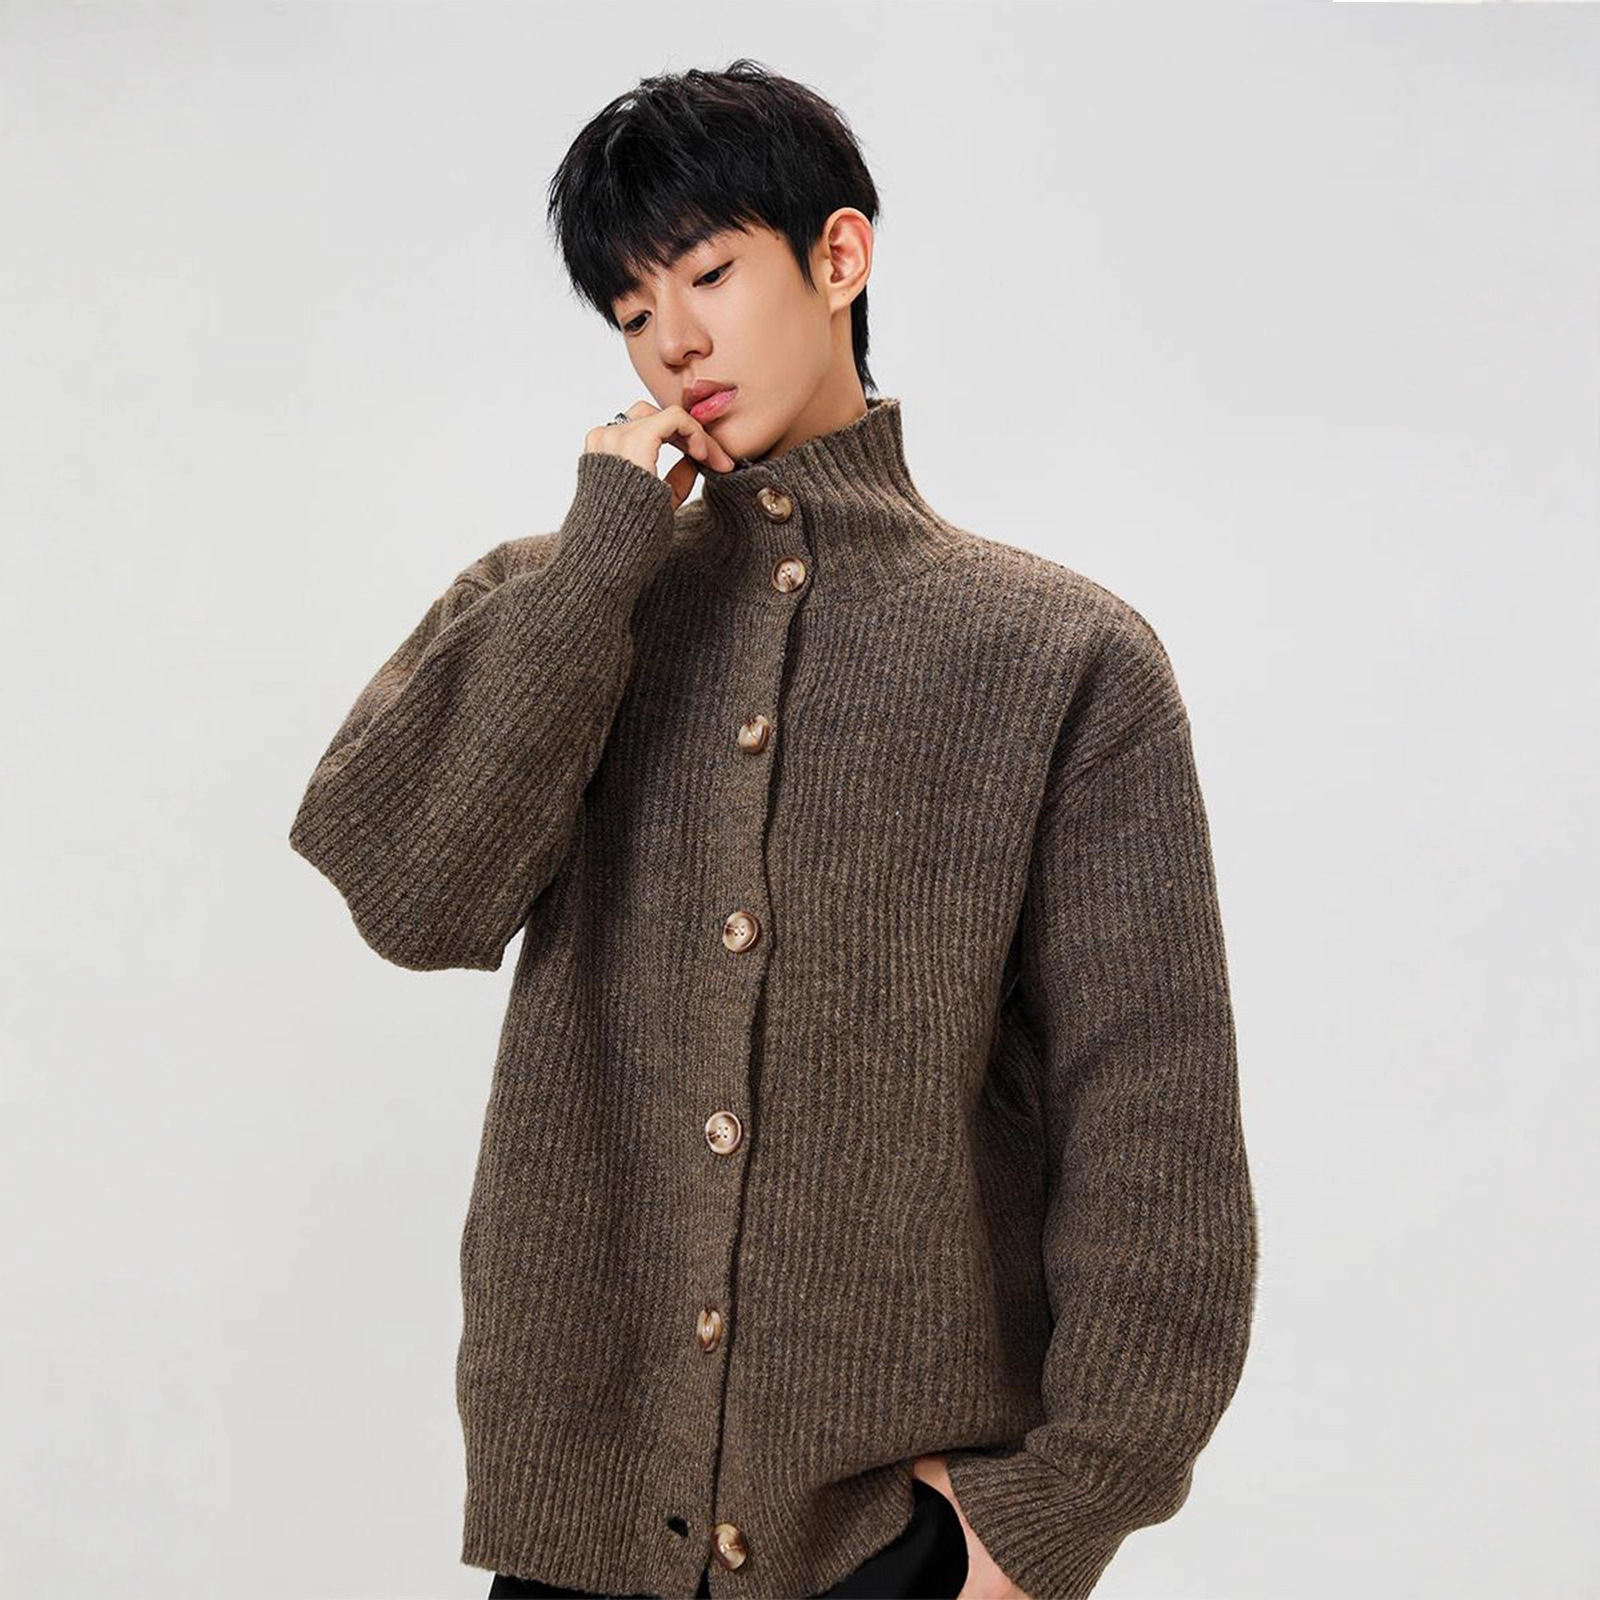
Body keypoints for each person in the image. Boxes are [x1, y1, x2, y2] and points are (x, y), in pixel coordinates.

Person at [289, 58, 1258, 1600]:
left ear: (840, 257)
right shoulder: (559, 603)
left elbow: (1150, 1123)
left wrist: (1052, 1512)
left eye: (709, 272)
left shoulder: (1061, 658)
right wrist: (603, 564)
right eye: (629, 308)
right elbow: (416, 899)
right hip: (582, 1542)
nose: (671, 338)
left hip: (892, 1547)